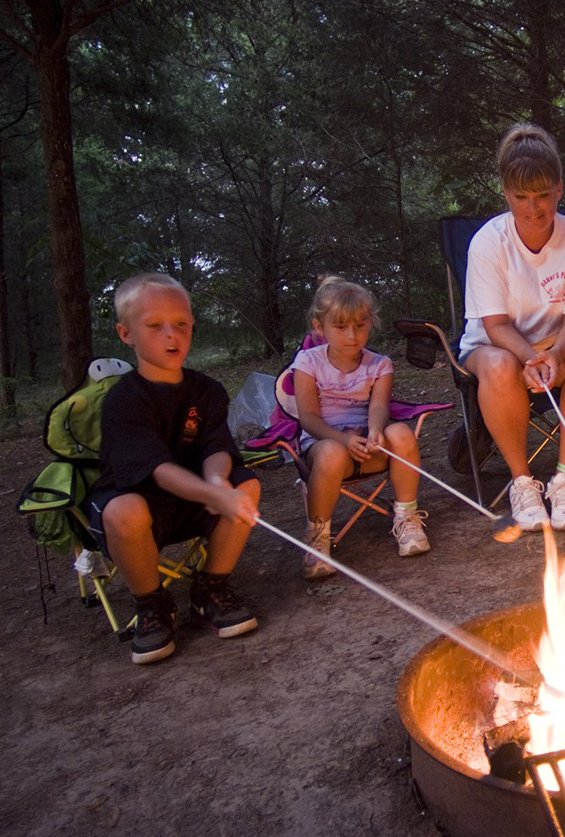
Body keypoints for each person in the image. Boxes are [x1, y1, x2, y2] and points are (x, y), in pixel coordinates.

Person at [84, 273, 261, 665]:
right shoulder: (123, 400)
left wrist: (218, 482)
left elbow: (217, 445)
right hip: (141, 504)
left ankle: (210, 588)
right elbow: (158, 470)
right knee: (123, 510)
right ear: (125, 333)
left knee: (244, 487)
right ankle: (152, 604)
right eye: (155, 326)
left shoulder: (207, 390)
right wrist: (212, 493)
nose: (171, 336)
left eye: (181, 324)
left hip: (195, 502)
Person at [459, 122, 565, 532]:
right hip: (497, 345)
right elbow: (494, 324)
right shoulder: (488, 242)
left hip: (560, 341)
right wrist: (530, 358)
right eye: (521, 197)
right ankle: (522, 482)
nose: (533, 208)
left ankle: (563, 479)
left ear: (560, 188)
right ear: (505, 193)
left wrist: (556, 354)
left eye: (543, 195)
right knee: (498, 367)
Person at [292, 276, 429, 576]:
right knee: (331, 453)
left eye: (360, 325)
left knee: (401, 433)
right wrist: (341, 440)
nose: (352, 335)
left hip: (367, 445)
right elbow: (308, 419)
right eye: (340, 327)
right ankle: (317, 537)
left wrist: (377, 432)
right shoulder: (307, 362)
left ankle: (406, 518)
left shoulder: (379, 365)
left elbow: (379, 407)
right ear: (319, 327)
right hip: (324, 446)